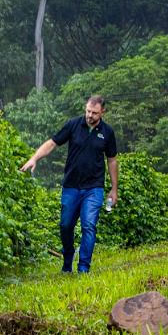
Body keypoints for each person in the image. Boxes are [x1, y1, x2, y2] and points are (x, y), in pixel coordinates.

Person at [20, 95, 118, 273]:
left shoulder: (108, 132)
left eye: (94, 113)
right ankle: (67, 260)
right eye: (88, 111)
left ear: (102, 112)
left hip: (94, 188)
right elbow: (52, 143)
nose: (90, 115)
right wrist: (35, 158)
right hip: (71, 186)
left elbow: (112, 160)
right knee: (66, 226)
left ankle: (83, 269)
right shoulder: (73, 125)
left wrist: (114, 188)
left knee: (89, 225)